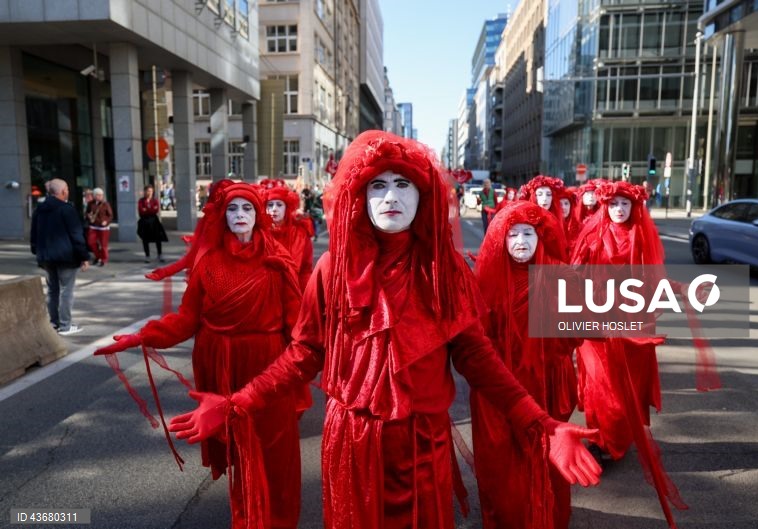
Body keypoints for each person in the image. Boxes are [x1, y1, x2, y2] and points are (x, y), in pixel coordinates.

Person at [168, 131, 601, 529]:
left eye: (403, 184)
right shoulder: (331, 270)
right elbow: (303, 354)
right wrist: (237, 403)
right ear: (359, 196)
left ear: (421, 195)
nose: (390, 196)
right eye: (378, 185)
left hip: (423, 445)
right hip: (352, 447)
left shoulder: (444, 271)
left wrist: (543, 423)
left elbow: (478, 358)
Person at [95, 182, 305, 529]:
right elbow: (187, 319)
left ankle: (275, 520)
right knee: (238, 450)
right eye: (233, 209)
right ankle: (246, 516)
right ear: (222, 216)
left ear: (258, 215)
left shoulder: (277, 261)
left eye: (247, 208)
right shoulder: (208, 263)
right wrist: (144, 336)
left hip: (266, 366)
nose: (240, 215)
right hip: (218, 365)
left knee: (273, 449)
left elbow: (298, 329)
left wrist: (306, 365)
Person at [570, 180, 686, 526]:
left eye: (625, 204)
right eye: (613, 204)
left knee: (625, 388)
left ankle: (614, 440)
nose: (619, 210)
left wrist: (682, 289)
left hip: (632, 323)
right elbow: (574, 272)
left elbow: (655, 280)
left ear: (634, 207)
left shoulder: (643, 237)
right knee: (599, 383)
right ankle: (602, 439)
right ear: (604, 206)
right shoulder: (592, 234)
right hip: (596, 324)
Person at [472, 201, 580, 529]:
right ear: (501, 240)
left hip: (542, 384)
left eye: (528, 233)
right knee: (501, 461)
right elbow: (474, 342)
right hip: (498, 390)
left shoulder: (559, 278)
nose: (521, 240)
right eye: (513, 234)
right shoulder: (486, 281)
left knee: (544, 456)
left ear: (541, 236)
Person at [30, 178, 90, 335]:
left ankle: (54, 323)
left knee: (52, 290)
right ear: (63, 191)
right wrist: (84, 256)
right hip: (66, 257)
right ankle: (65, 325)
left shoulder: (40, 209)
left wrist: (36, 251)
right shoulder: (67, 209)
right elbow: (76, 235)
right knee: (66, 291)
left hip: (46, 257)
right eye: (67, 189)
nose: (68, 192)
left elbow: (34, 233)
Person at [261, 179, 314, 290]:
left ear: (287, 208)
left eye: (279, 205)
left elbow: (306, 269)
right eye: (270, 205)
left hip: (294, 290)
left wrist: (306, 296)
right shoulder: (259, 233)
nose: (274, 209)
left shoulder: (300, 234)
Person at [137, 185, 168, 263]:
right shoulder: (141, 201)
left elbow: (155, 210)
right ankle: (147, 256)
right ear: (145, 192)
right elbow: (141, 211)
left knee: (158, 238)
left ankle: (160, 254)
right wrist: (150, 209)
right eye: (148, 191)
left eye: (151, 191)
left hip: (154, 222)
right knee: (145, 239)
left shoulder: (155, 200)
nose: (149, 193)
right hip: (144, 222)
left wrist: (147, 209)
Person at [85, 187, 114, 266]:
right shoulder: (90, 203)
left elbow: (110, 216)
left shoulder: (105, 204)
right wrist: (89, 217)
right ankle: (98, 256)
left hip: (103, 227)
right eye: (98, 195)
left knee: (103, 245)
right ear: (94, 195)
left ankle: (104, 259)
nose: (100, 196)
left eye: (101, 195)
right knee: (91, 242)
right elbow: (87, 213)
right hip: (93, 226)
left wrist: (106, 222)